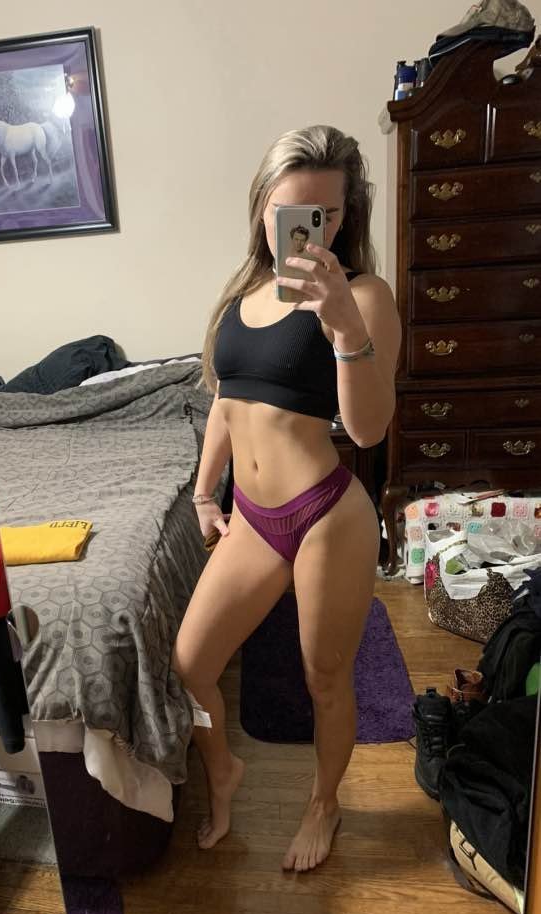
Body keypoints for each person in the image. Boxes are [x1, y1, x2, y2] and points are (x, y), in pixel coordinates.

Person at [172, 125, 401, 872]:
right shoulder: (243, 293)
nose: (307, 230)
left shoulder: (364, 295)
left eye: (324, 215)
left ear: (345, 217)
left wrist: (344, 325)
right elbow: (225, 401)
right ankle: (224, 771)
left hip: (327, 514)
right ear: (263, 208)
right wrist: (204, 493)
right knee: (191, 663)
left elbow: (367, 430)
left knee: (323, 678)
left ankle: (324, 804)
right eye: (289, 212)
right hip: (253, 518)